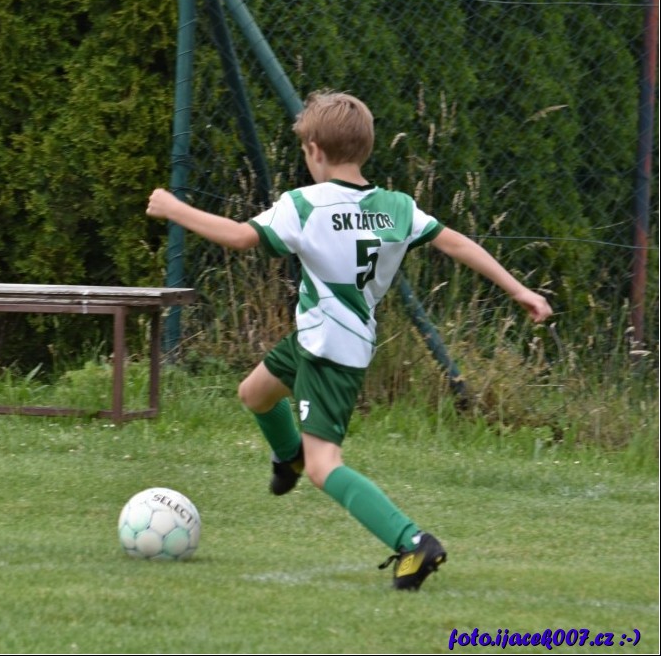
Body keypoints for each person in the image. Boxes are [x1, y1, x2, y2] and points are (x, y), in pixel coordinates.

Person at [145, 88, 553, 591]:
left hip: (328, 351)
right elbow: (457, 243)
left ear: (314, 149)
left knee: (326, 467)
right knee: (254, 393)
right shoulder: (396, 208)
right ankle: (287, 455)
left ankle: (412, 543)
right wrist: (519, 290)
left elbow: (238, 236)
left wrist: (172, 206)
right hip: (322, 337)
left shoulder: (305, 205)